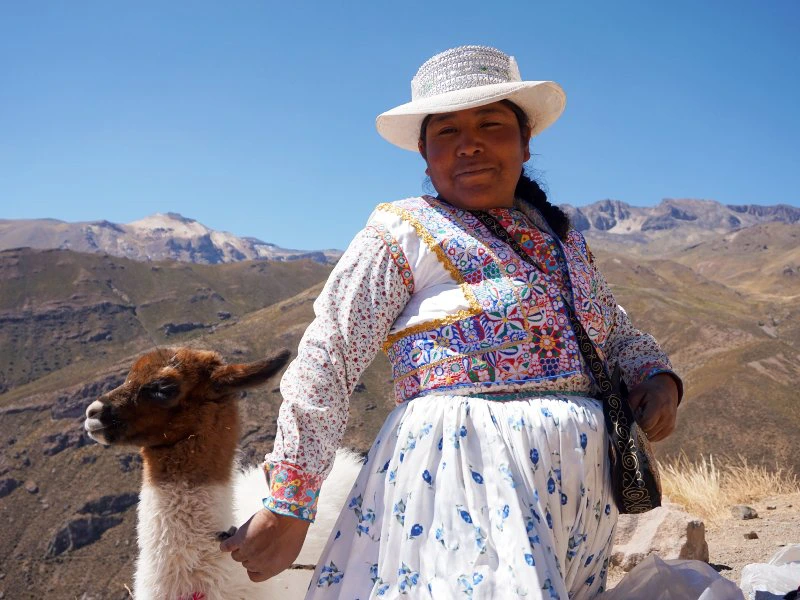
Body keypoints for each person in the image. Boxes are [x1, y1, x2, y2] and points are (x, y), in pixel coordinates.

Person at [221, 45, 682, 599]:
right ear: (424, 151)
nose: (470, 145)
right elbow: (328, 359)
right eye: (446, 132)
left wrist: (658, 379)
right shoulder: (402, 232)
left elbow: (615, 331)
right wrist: (291, 503)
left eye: (491, 124)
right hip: (463, 469)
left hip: (576, 486)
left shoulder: (563, 241)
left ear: (525, 140)